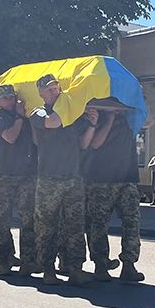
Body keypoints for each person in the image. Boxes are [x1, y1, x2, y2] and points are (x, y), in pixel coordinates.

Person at [30, 74, 97, 286]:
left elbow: (84, 144)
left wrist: (92, 124)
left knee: (76, 225)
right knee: (47, 226)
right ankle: (48, 269)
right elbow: (53, 122)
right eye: (49, 90)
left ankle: (75, 267)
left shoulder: (73, 114)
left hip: (73, 177)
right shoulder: (38, 113)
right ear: (40, 93)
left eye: (56, 88)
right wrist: (73, 109)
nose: (54, 92)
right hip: (49, 178)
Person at [84, 105, 145, 282]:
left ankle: (129, 264)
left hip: (127, 178)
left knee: (132, 222)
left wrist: (136, 103)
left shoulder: (131, 118)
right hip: (101, 179)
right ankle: (100, 264)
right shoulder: (99, 116)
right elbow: (95, 143)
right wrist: (109, 118)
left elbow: (149, 120)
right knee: (98, 224)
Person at [0, 84, 38, 275]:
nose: (9, 101)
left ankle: (28, 261)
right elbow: (9, 137)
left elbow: (36, 141)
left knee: (28, 219)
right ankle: (4, 260)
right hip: (4, 175)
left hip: (26, 174)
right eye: (5, 98)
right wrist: (18, 117)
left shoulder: (23, 117)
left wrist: (28, 118)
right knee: (2, 219)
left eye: (11, 97)